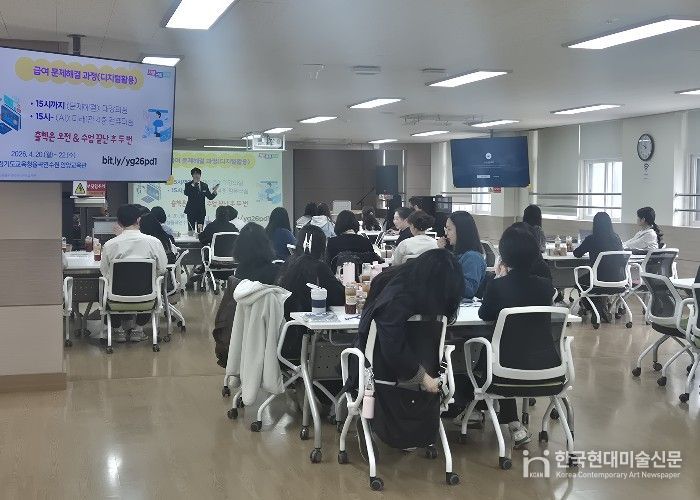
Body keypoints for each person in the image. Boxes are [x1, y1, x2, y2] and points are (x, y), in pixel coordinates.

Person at [473, 224, 557, 447]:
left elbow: (484, 314)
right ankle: (509, 421)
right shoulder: (546, 286)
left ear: (505, 256)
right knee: (512, 347)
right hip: (548, 368)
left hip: (506, 372)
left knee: (488, 351)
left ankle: (475, 410)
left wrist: (498, 279)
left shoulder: (498, 286)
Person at [353, 249, 464, 392]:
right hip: (418, 380)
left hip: (377, 373)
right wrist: (423, 377)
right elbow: (392, 343)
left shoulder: (390, 284)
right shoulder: (401, 299)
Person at [101, 204, 168, 343]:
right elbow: (162, 269)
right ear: (138, 220)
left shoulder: (110, 245)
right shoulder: (154, 242)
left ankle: (118, 330)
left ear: (119, 223)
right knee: (155, 285)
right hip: (147, 300)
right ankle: (138, 329)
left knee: (103, 287)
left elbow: (105, 272)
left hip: (115, 301)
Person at [277, 225, 345, 357]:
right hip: (305, 336)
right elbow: (340, 298)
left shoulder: (288, 264)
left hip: (284, 334)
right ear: (322, 247)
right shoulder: (319, 267)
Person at [573, 212, 623, 320]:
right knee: (591, 282)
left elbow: (577, 253)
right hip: (617, 279)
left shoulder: (591, 239)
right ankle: (600, 307)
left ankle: (595, 307)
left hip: (597, 278)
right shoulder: (616, 238)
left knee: (580, 282)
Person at [438, 211, 486, 299]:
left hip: (462, 304)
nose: (446, 233)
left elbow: (469, 290)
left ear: (461, 231)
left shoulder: (473, 257)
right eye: (446, 229)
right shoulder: (458, 254)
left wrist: (444, 258)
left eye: (449, 229)